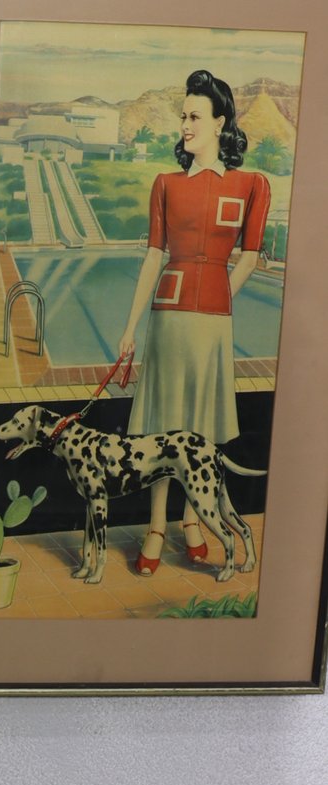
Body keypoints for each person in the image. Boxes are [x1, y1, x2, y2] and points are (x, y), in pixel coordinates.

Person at [116, 68, 271, 575]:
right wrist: (129, 328)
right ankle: (157, 525)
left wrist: (221, 293)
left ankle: (191, 519)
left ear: (220, 122)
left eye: (195, 116)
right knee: (164, 426)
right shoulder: (165, 185)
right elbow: (152, 257)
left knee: (200, 427)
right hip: (167, 319)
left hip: (213, 323)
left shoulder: (252, 186)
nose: (185, 125)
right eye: (183, 116)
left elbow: (249, 257)